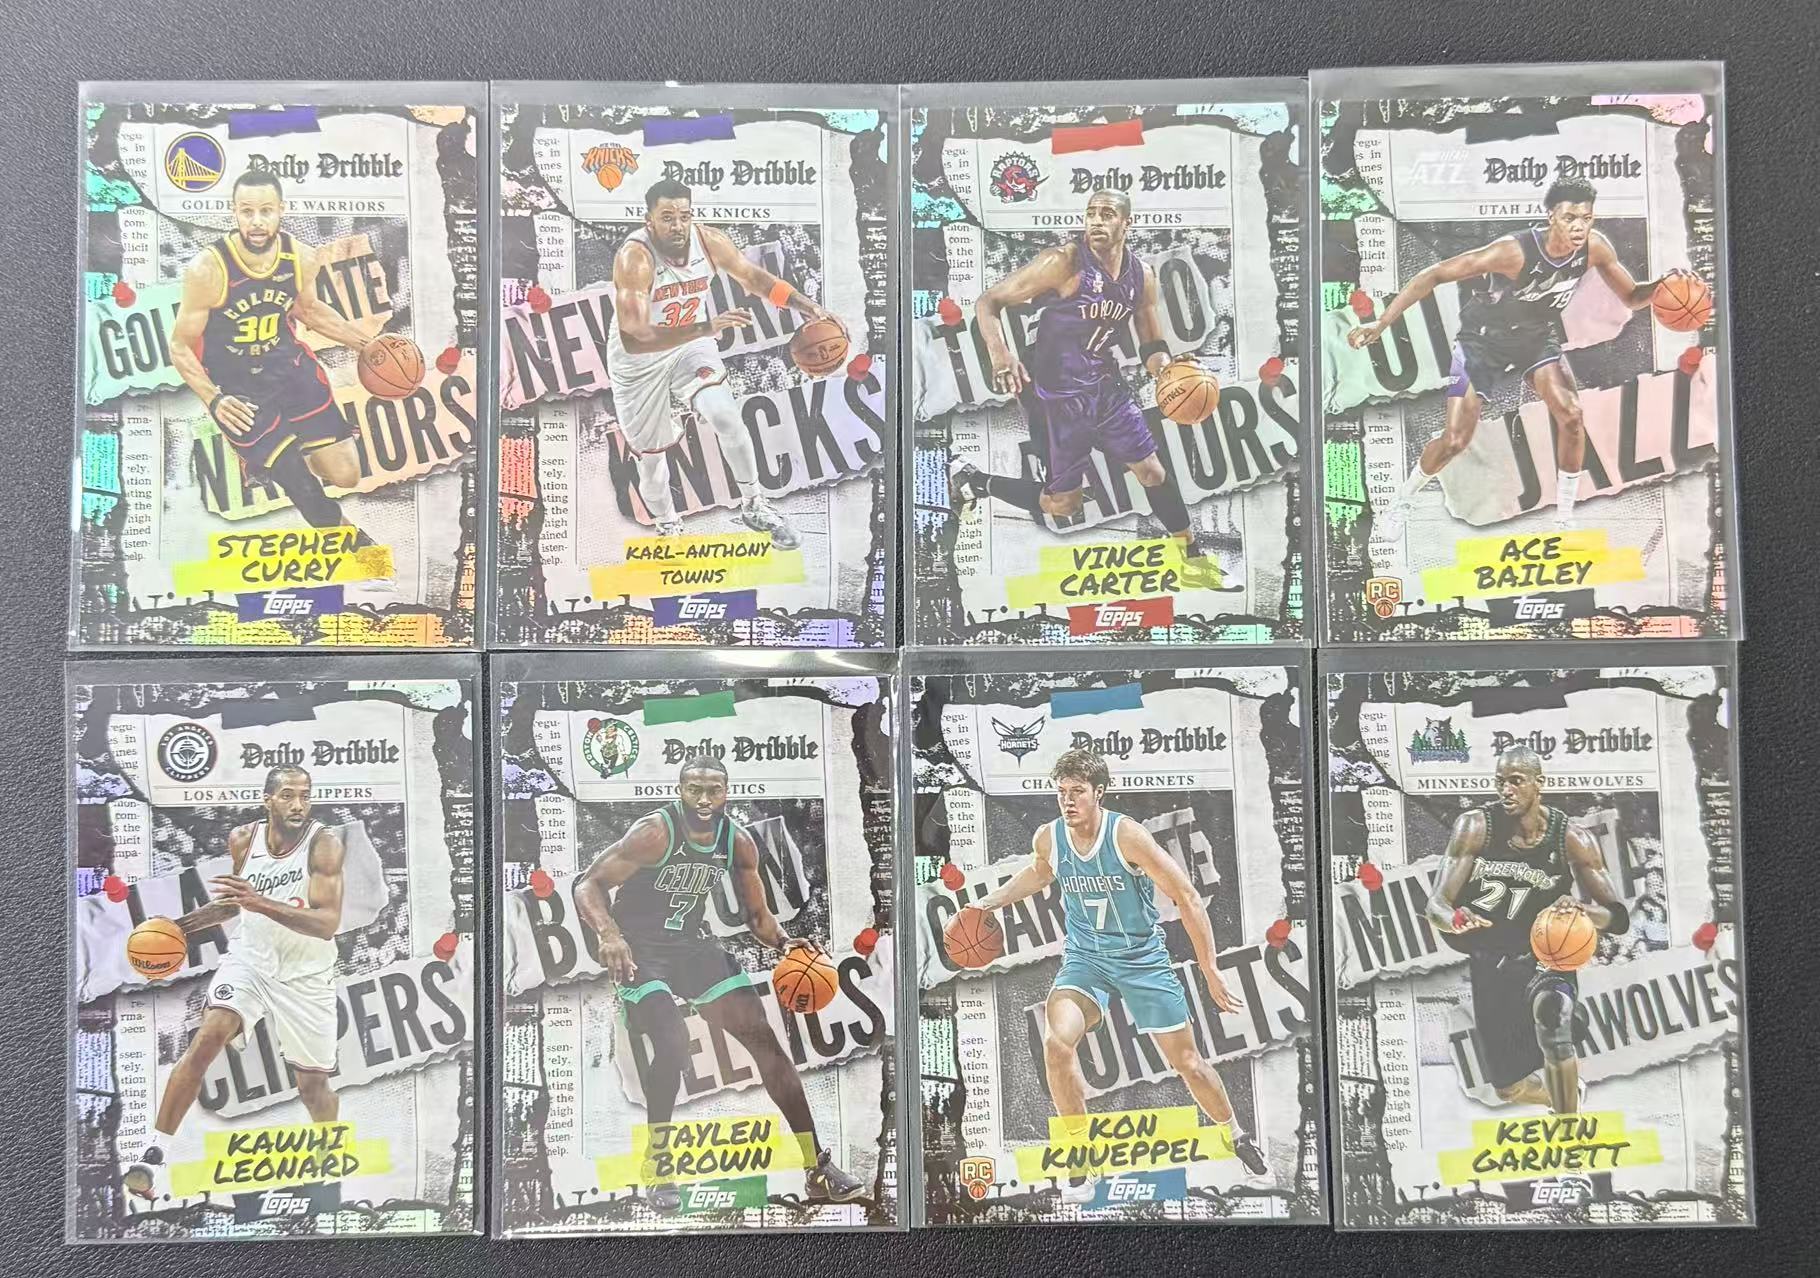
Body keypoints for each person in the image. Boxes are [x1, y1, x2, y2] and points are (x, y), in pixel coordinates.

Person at [963, 747, 1268, 1201]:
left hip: (1141, 960)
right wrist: (986, 904)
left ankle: (1236, 1134)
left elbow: (1186, 895)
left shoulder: (1127, 835)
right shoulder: (1050, 837)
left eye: (1078, 791)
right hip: (1086, 960)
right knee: (1056, 1043)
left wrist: (1210, 969)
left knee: (1188, 1063)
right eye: (1061, 792)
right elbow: (1039, 873)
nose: (1068, 800)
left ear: (1099, 793)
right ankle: (1080, 1156)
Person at [572, 753, 864, 1212]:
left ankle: (816, 1166)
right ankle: (658, 1162)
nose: (704, 799)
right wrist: (609, 935)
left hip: (690, 947)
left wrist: (784, 941)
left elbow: (757, 916)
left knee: (765, 1040)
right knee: (672, 1040)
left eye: (713, 790)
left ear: (726, 793)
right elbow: (588, 885)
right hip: (640, 952)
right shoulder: (654, 833)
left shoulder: (737, 842)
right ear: (680, 791)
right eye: (694, 790)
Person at [1350, 178, 1695, 533]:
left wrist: (1664, 285)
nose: (1579, 226)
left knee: (1572, 415)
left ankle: (1564, 518)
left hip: (1535, 339)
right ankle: (1402, 500)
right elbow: (1435, 274)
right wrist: (1382, 322)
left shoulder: (1595, 249)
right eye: (1570, 218)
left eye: (1586, 218)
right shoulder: (1512, 252)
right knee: (1455, 440)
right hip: (1482, 342)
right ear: (1551, 216)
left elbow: (1633, 297)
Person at [951, 192, 1211, 573]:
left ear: (1127, 223)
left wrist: (1168, 371)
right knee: (1063, 505)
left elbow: (1152, 345)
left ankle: (1192, 557)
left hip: (1105, 386)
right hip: (1053, 394)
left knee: (1152, 472)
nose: (1096, 221)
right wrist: (1000, 353)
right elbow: (988, 302)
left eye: (1107, 214)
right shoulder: (1063, 262)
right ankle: (976, 481)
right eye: (1091, 213)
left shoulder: (1142, 276)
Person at [125, 766, 348, 1203]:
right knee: (207, 1039)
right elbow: (235, 905)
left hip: (306, 976)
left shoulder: (324, 845)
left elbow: (326, 923)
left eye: (305, 796)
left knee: (313, 1086)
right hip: (250, 961)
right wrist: (179, 927)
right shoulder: (244, 839)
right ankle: (153, 1156)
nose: (298, 804)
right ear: (268, 799)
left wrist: (258, 902)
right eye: (287, 795)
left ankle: (329, 1164)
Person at [607, 178, 829, 546]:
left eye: (684, 216)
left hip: (689, 345)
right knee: (652, 459)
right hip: (639, 362)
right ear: (650, 221)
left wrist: (809, 307)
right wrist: (707, 327)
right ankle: (668, 526)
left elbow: (755, 278)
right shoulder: (636, 258)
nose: (677, 226)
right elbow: (634, 338)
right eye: (667, 217)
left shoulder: (709, 241)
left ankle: (754, 503)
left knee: (726, 416)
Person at [170, 171, 376, 541]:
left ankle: (277, 450)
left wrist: (367, 345)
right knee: (300, 484)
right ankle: (355, 544)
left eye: (266, 210)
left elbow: (308, 311)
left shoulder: (301, 258)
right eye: (247, 211)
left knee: (346, 476)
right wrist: (214, 399)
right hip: (239, 389)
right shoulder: (208, 270)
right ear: (234, 212)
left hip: (290, 371)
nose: (256, 221)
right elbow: (180, 345)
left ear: (281, 210)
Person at [1427, 745, 1630, 1112]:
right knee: (1508, 1089)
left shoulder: (1572, 838)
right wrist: (1455, 920)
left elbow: (1617, 918)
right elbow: (1436, 905)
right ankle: (1563, 1095)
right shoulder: (1475, 827)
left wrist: (1582, 909)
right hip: (1491, 961)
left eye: (1516, 781)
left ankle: (1568, 1125)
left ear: (1539, 784)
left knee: (1553, 1022)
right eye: (1500, 782)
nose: (1506, 790)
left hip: (1545, 955)